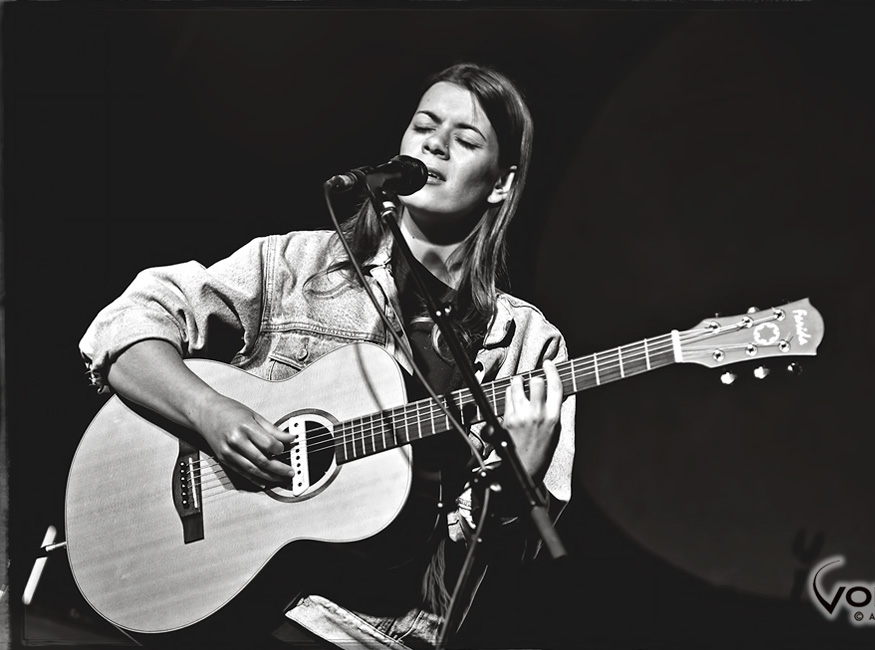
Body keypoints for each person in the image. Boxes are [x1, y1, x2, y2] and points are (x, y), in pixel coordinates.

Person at [78, 62, 576, 649]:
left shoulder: (528, 346)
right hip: (237, 599)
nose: (435, 145)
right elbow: (123, 327)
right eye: (424, 126)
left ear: (500, 184)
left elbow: (506, 564)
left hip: (369, 632)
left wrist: (518, 481)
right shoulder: (297, 265)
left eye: (466, 140)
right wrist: (210, 413)